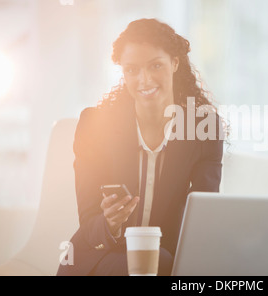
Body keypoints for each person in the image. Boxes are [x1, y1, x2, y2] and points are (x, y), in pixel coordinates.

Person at [57, 18, 224, 276]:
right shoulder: (95, 125)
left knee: (165, 264)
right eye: (132, 70)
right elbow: (89, 223)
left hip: (163, 256)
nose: (144, 80)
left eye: (155, 66)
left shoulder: (202, 127)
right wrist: (110, 223)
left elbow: (204, 214)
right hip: (98, 257)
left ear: (175, 63)